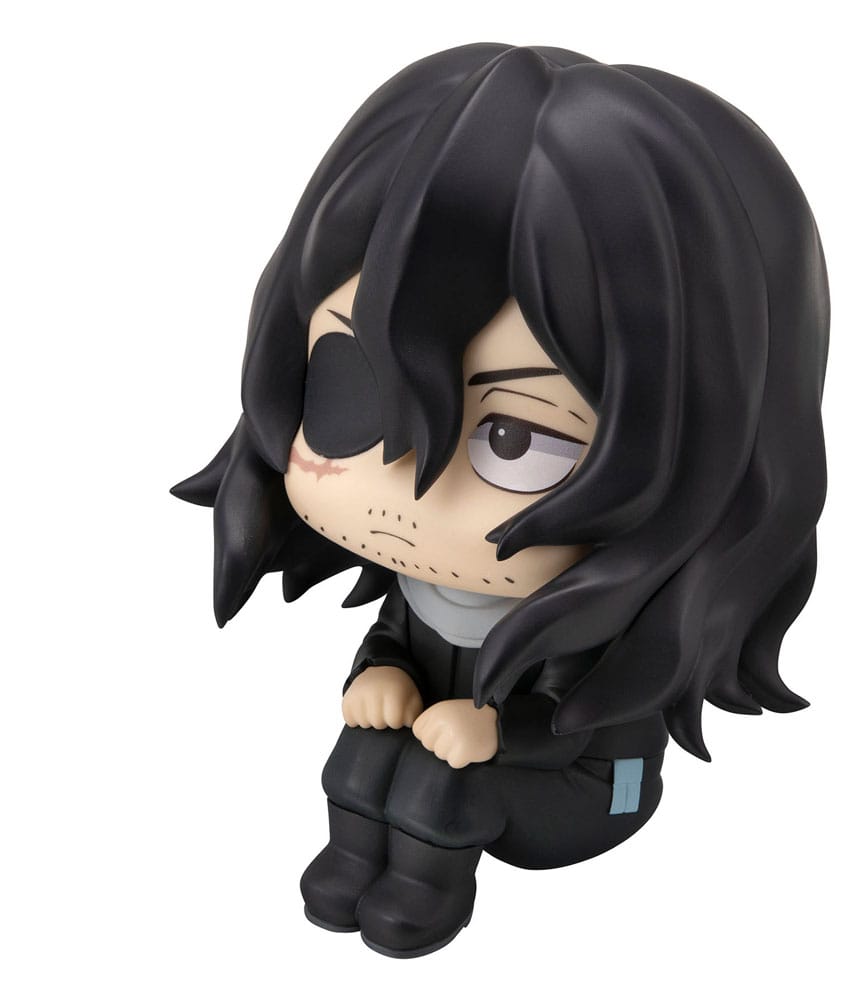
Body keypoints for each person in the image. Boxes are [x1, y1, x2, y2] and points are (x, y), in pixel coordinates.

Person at [173, 42, 829, 958]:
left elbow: (585, 719)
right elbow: (398, 636)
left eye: (515, 440)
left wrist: (496, 730)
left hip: (591, 788)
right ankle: (354, 860)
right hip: (458, 750)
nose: (405, 490)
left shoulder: (609, 625)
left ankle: (423, 890)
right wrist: (382, 673)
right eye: (350, 385)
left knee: (442, 783)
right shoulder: (426, 585)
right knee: (369, 749)